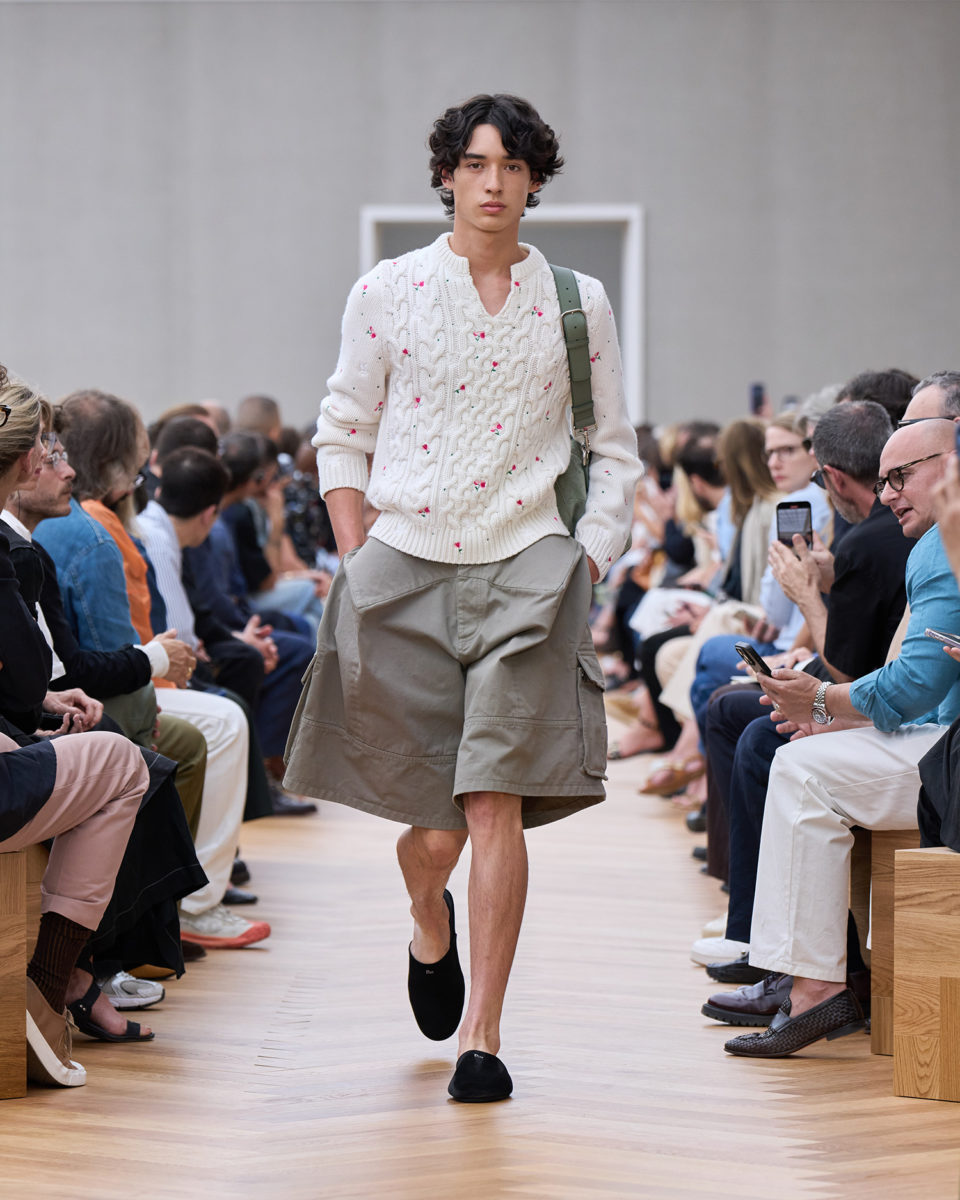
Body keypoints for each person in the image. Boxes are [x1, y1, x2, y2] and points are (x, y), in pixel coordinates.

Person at [283, 93, 641, 1102]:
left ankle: (481, 1038)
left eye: (513, 167)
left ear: (535, 181)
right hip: (403, 567)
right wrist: (355, 552)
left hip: (530, 567)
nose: (494, 183)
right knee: (435, 830)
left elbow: (614, 451)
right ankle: (426, 918)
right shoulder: (388, 290)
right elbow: (342, 428)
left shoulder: (577, 302)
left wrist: (587, 559)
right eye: (476, 164)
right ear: (447, 175)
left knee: (495, 806)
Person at [722, 415, 960, 1057]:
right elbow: (916, 685)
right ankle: (811, 977)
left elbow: (914, 686)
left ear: (952, 460)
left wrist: (822, 701)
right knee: (797, 752)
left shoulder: (942, 542)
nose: (887, 495)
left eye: (900, 476)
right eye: (882, 481)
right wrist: (827, 710)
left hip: (949, 750)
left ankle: (814, 987)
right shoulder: (933, 541)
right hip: (940, 735)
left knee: (800, 768)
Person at [0, 363, 152, 1084]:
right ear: (26, 459)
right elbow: (30, 674)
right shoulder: (19, 550)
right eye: (45, 446)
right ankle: (50, 979)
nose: (54, 461)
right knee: (123, 761)